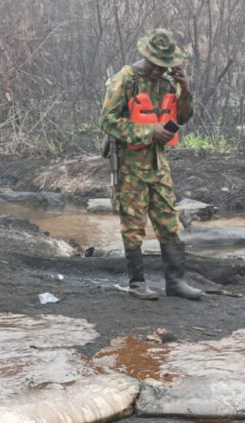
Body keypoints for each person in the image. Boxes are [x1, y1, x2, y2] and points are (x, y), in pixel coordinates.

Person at [99, 29, 202, 301]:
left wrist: (185, 88)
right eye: (157, 65)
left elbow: (183, 115)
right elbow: (107, 121)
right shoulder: (125, 80)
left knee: (169, 220)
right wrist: (148, 132)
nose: (160, 71)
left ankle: (176, 282)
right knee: (133, 224)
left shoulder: (167, 84)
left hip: (158, 164)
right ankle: (137, 283)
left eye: (165, 66)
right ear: (147, 57)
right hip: (131, 166)